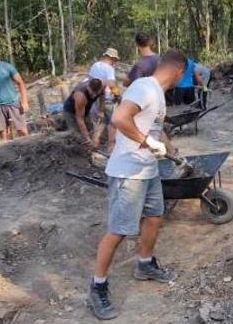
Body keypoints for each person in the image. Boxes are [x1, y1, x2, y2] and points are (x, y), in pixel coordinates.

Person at [88, 50, 186, 321]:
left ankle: (145, 264)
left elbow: (155, 127)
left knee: (155, 217)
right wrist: (147, 142)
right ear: (179, 71)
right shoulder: (145, 87)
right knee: (119, 231)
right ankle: (97, 286)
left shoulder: (157, 94)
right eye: (182, 75)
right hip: (128, 172)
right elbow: (120, 119)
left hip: (148, 170)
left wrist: (169, 147)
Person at [89, 48, 121, 148]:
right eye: (114, 60)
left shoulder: (95, 66)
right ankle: (111, 147)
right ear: (111, 58)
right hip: (107, 98)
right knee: (113, 123)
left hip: (95, 98)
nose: (114, 62)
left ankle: (95, 142)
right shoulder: (109, 68)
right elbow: (111, 84)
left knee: (101, 121)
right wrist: (118, 95)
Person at [63, 78, 105, 150]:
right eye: (92, 93)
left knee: (90, 130)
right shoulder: (80, 95)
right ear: (88, 87)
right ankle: (75, 151)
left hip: (85, 109)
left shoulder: (102, 87)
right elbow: (80, 119)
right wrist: (87, 137)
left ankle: (91, 147)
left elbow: (102, 97)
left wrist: (101, 111)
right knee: (75, 134)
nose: (94, 96)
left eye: (96, 93)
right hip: (70, 111)